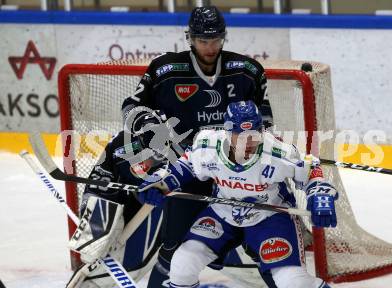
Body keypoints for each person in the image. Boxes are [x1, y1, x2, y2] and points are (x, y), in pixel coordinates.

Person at [121, 6, 274, 287]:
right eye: (203, 40)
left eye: (216, 40)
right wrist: (151, 138)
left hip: (236, 175)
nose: (210, 46)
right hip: (188, 171)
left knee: (264, 246)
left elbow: (264, 122)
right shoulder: (165, 71)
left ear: (224, 38)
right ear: (189, 37)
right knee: (174, 244)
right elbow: (132, 107)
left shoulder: (247, 71)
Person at [139, 101, 338, 288]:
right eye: (240, 135)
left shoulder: (277, 152)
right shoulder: (207, 144)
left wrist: (320, 195)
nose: (249, 141)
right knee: (183, 264)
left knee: (293, 282)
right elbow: (183, 166)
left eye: (254, 133)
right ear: (227, 132)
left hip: (269, 216)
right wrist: (158, 183)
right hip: (223, 211)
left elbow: (311, 170)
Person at [66, 110, 171, 288]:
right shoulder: (123, 145)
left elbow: (176, 174)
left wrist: (158, 186)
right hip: (110, 197)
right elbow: (106, 184)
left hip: (141, 205)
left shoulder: (172, 145)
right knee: (94, 250)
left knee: (136, 264)